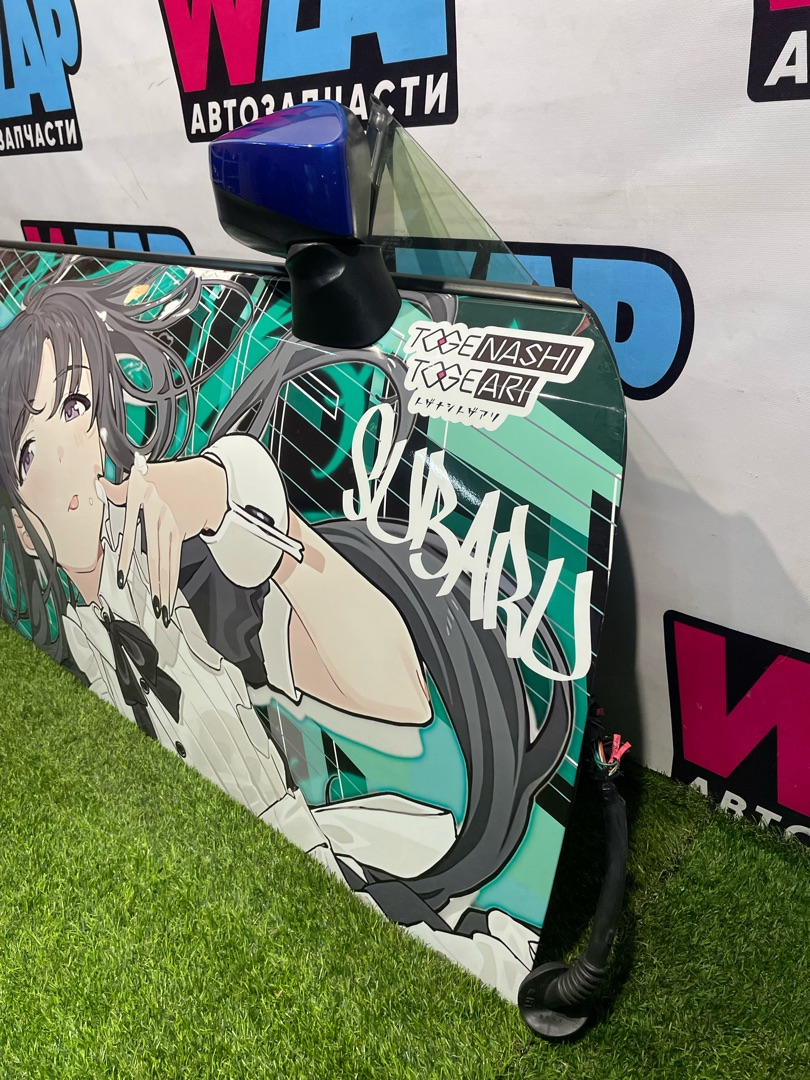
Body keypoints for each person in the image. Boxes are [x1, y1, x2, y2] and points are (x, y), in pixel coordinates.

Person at [0, 257, 576, 999]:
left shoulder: (195, 577)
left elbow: (397, 693)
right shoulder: (75, 639)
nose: (72, 457)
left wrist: (227, 497)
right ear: (21, 520)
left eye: (77, 407)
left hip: (346, 874)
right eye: (28, 451)